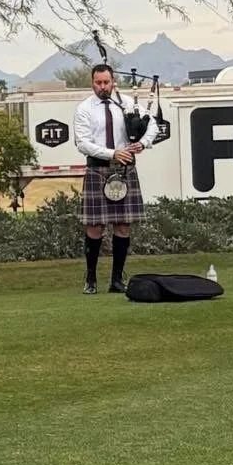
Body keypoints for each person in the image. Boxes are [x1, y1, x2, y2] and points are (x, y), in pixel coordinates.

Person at [75, 62, 160, 295]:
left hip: (124, 170)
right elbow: (82, 143)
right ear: (92, 83)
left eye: (106, 82)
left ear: (114, 82)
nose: (102, 87)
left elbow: (152, 124)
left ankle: (116, 280)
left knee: (123, 226)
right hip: (98, 169)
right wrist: (112, 153)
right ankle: (91, 278)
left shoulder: (127, 104)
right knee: (94, 227)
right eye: (98, 83)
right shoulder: (84, 109)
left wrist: (142, 143)